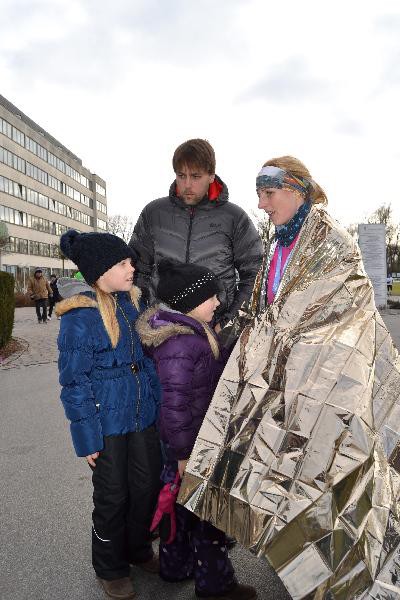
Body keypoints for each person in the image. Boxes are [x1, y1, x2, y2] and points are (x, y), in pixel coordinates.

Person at [178, 156, 400, 599]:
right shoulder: (281, 243)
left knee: (332, 477)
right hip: (286, 387)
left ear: (297, 189)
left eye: (268, 193)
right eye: (259, 195)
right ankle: (307, 566)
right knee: (284, 477)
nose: (262, 204)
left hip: (331, 389)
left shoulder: (332, 241)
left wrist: (282, 342)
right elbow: (267, 311)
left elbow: (345, 319)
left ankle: (347, 577)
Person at [136, 259, 257, 600]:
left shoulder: (191, 334)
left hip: (186, 443)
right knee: (207, 514)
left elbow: (211, 368)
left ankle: (175, 567)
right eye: (211, 297)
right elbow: (174, 407)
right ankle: (216, 586)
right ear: (190, 301)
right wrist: (183, 455)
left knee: (180, 507)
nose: (218, 302)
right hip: (190, 446)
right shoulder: (181, 345)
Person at [56, 229, 162, 600]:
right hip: (107, 424)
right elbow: (74, 382)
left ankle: (137, 548)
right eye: (123, 263)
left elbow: (144, 362)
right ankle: (110, 566)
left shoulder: (130, 304)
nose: (132, 268)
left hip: (141, 416)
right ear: (101, 271)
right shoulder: (80, 317)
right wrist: (87, 439)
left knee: (146, 484)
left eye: (131, 261)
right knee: (113, 495)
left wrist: (157, 405)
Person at [130, 138, 263, 331]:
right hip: (162, 329)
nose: (187, 184)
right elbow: (136, 271)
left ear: (211, 176)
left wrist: (228, 324)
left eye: (195, 176)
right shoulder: (154, 213)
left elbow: (255, 276)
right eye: (181, 175)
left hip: (215, 330)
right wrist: (144, 316)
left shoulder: (234, 217)